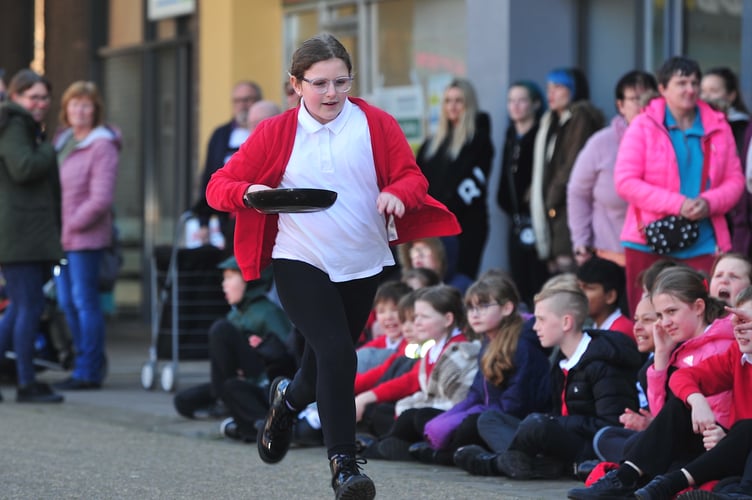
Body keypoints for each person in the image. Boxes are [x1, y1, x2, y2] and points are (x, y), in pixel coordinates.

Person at [205, 33, 460, 500]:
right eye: (319, 83)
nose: (330, 94)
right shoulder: (276, 133)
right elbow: (219, 185)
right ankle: (345, 465)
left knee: (321, 361)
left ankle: (287, 400)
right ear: (296, 84)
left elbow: (412, 177)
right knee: (339, 353)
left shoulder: (375, 124)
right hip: (299, 257)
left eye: (340, 82)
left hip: (364, 261)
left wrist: (397, 194)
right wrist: (250, 194)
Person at [567, 267, 736, 499]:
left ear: (698, 307)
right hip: (691, 440)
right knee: (620, 439)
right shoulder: (680, 348)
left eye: (671, 312)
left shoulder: (722, 345)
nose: (665, 322)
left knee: (640, 442)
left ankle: (627, 477)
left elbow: (716, 415)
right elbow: (661, 416)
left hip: (718, 441)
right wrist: (662, 357)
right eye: (659, 315)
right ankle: (630, 476)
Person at [457, 277, 642, 480]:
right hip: (555, 440)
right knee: (490, 419)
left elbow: (612, 427)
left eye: (541, 319)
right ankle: (528, 464)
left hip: (586, 448)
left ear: (566, 322)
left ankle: (495, 463)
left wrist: (557, 422)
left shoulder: (603, 362)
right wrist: (553, 421)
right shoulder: (560, 361)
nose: (535, 327)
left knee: (537, 424)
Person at [615, 56, 745, 316]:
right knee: (648, 315)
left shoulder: (718, 124)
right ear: (662, 88)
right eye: (682, 82)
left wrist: (709, 202)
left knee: (706, 314)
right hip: (648, 239)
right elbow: (625, 181)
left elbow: (735, 180)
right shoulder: (643, 124)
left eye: (695, 83)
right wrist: (679, 204)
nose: (691, 89)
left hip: (704, 237)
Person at [410, 271, 551, 467]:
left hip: (512, 421)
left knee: (476, 422)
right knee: (427, 417)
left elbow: (516, 404)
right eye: (470, 308)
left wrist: (466, 417)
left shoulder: (523, 346)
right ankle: (454, 454)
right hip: (491, 414)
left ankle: (449, 457)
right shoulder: (488, 343)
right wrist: (447, 420)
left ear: (507, 308)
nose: (474, 314)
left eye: (483, 306)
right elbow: (475, 393)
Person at [49, 81, 119, 390]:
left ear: (96, 110)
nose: (80, 110)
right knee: (65, 302)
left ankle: (89, 371)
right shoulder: (63, 140)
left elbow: (100, 199)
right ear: (66, 108)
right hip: (59, 238)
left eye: (86, 105)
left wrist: (69, 227)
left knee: (83, 301)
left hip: (84, 240)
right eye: (74, 104)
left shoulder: (102, 144)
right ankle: (81, 363)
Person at [172, 256, 294, 431]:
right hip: (236, 381)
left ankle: (227, 402)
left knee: (220, 329)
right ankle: (224, 401)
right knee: (183, 401)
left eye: (229, 278)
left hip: (262, 383)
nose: (224, 284)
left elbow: (287, 359)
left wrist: (262, 349)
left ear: (248, 281)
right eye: (224, 278)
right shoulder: (235, 315)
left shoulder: (268, 312)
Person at [0, 69, 64, 403]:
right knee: (28, 307)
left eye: (43, 97)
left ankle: (25, 380)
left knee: (17, 309)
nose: (39, 103)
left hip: (25, 233)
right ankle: (26, 383)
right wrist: (49, 149)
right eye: (32, 97)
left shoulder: (21, 124)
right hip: (21, 235)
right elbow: (22, 168)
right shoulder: (13, 124)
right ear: (16, 97)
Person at [356, 285, 475, 460]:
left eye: (423, 317)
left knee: (415, 416)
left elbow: (458, 400)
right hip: (432, 408)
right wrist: (367, 396)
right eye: (415, 317)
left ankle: (388, 446)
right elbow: (411, 380)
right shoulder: (433, 348)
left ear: (448, 319)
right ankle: (399, 445)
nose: (416, 323)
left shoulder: (461, 349)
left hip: (450, 413)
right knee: (390, 412)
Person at [567, 70, 658, 268]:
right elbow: (577, 192)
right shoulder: (601, 143)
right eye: (635, 99)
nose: (643, 105)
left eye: (649, 98)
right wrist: (581, 240)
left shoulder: (670, 141)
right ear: (621, 105)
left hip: (660, 255)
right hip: (611, 256)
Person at [416, 77, 494, 279]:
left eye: (459, 101)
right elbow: (418, 180)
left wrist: (444, 212)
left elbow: (474, 184)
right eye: (448, 100)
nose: (452, 106)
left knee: (459, 280)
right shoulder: (432, 144)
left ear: (468, 104)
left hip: (466, 226)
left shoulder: (479, 141)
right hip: (433, 226)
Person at [530, 67, 604, 276]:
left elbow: (572, 165)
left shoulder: (580, 118)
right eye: (548, 88)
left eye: (558, 87)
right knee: (555, 268)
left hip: (568, 207)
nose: (550, 93)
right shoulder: (551, 122)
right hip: (554, 209)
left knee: (566, 269)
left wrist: (552, 197)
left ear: (574, 90)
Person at [192, 80, 262, 251]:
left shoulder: (265, 131)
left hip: (259, 211)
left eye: (247, 100)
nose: (242, 106)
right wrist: (203, 221)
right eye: (237, 101)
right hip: (227, 216)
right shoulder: (221, 135)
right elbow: (209, 176)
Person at [497, 80, 548, 308]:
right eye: (511, 101)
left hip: (538, 220)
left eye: (522, 100)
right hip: (516, 221)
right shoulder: (510, 135)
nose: (515, 106)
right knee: (519, 281)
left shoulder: (542, 134)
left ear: (535, 104)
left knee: (539, 280)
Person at [701, 68, 752, 258]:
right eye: (702, 90)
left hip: (735, 216)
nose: (705, 97)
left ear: (731, 95)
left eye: (713, 90)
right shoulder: (692, 126)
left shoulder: (742, 129)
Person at [356, 280, 412, 373]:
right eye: (381, 311)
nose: (388, 317)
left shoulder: (411, 343)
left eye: (395, 310)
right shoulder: (376, 344)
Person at [575, 256, 634, 340]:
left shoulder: (620, 332)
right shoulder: (598, 326)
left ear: (610, 296)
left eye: (588, 288)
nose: (578, 294)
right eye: (578, 287)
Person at [397, 237, 473, 294]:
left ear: (442, 254)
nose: (417, 255)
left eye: (424, 249)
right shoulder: (403, 287)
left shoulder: (460, 287)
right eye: (414, 250)